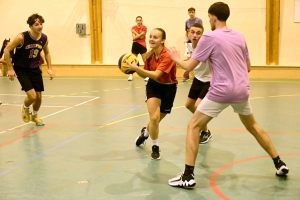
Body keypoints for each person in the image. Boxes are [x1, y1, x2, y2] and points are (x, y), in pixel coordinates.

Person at [167, 2, 289, 188]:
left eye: (209, 17)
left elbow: (189, 66)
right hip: (242, 90)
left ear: (213, 17)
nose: (209, 20)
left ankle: (188, 176)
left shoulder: (209, 36)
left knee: (193, 126)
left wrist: (175, 57)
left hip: (221, 91)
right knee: (253, 126)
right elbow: (248, 67)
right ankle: (279, 163)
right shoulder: (239, 36)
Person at [124, 28, 178, 160]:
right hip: (153, 86)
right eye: (151, 37)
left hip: (169, 88)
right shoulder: (149, 56)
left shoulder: (168, 55)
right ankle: (155, 147)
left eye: (156, 37)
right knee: (154, 118)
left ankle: (145, 133)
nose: (152, 39)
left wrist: (136, 68)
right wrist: (137, 70)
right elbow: (147, 76)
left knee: (157, 119)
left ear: (163, 40)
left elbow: (157, 74)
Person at [4, 13, 54, 126]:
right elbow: (7, 50)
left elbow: (47, 53)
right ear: (30, 26)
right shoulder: (21, 37)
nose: (40, 26)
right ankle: (25, 107)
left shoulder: (44, 38)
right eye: (36, 24)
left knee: (39, 96)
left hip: (35, 68)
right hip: (21, 69)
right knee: (32, 96)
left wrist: (50, 68)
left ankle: (35, 115)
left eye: (41, 24)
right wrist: (10, 69)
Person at [183, 23, 212, 144]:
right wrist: (187, 70)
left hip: (209, 80)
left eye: (198, 33)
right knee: (189, 105)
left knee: (198, 106)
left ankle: (205, 131)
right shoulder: (189, 45)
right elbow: (192, 60)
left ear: (202, 35)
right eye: (192, 32)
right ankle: (204, 128)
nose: (195, 35)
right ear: (188, 33)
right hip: (198, 78)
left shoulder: (205, 46)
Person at [183, 7, 203, 82]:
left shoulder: (199, 20)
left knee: (196, 57)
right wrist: (186, 39)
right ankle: (187, 74)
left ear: (194, 12)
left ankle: (197, 75)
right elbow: (186, 32)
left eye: (192, 12)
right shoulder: (187, 22)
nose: (191, 13)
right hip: (189, 42)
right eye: (190, 12)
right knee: (189, 58)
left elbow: (200, 31)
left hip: (197, 42)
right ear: (188, 13)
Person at [128, 16, 148, 82]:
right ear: (136, 21)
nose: (139, 21)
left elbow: (142, 37)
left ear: (142, 21)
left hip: (142, 45)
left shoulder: (144, 27)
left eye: (140, 20)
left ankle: (147, 75)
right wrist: (139, 34)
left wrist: (136, 33)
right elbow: (134, 38)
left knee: (145, 60)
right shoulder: (133, 28)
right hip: (135, 45)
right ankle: (131, 75)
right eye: (137, 20)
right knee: (133, 60)